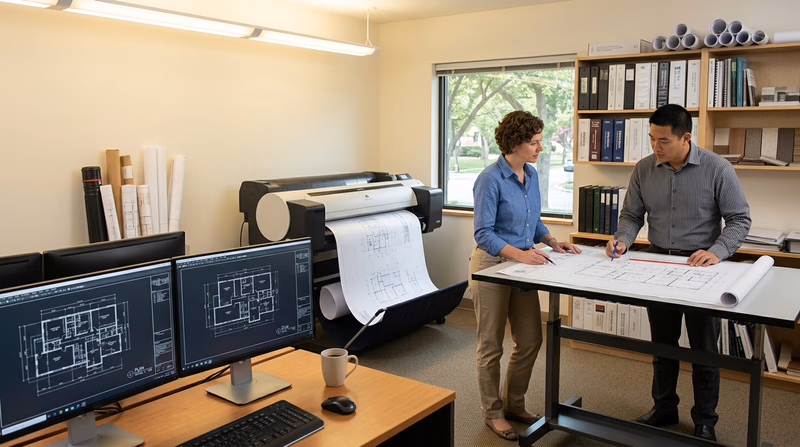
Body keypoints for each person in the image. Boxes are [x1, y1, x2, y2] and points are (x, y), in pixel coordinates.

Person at [606, 104, 751, 442]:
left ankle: (705, 421)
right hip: (657, 263)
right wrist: (623, 241)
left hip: (702, 267)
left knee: (704, 350)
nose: (656, 147)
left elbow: (739, 220)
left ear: (686, 138)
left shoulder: (718, 168)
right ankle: (664, 408)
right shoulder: (644, 169)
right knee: (664, 345)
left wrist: (716, 252)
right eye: (652, 139)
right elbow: (630, 216)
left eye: (664, 141)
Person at [468, 110, 581, 441]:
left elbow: (534, 219)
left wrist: (550, 240)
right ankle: (492, 412)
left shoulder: (530, 175)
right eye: (534, 142)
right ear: (515, 143)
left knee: (530, 337)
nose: (540, 148)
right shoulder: (489, 179)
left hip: (522, 265)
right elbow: (483, 233)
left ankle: (514, 405)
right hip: (491, 266)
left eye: (540, 141)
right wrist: (520, 254)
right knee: (490, 345)